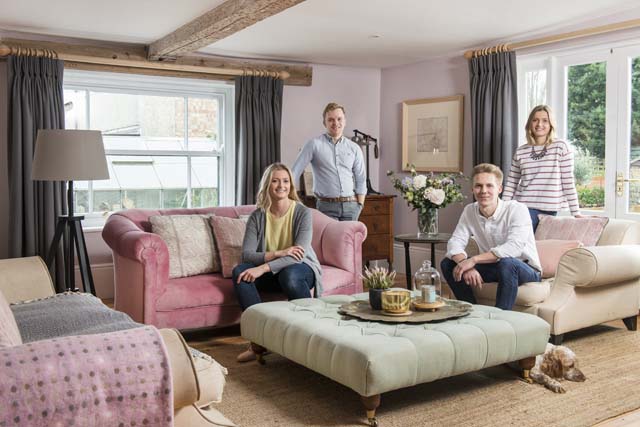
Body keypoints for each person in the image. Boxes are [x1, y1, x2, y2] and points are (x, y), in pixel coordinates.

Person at [232, 163, 322, 362]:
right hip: (274, 271)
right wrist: (278, 253)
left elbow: (298, 254)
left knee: (289, 275)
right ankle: (258, 343)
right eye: (275, 181)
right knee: (240, 271)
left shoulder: (302, 213)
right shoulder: (257, 216)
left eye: (285, 181)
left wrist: (263, 267)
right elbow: (247, 255)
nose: (280, 185)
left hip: (300, 270)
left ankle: (308, 340)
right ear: (267, 185)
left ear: (290, 185)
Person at [440, 163, 542, 311]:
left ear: (499, 189)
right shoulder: (470, 210)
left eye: (489, 186)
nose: (483, 191)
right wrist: (464, 264)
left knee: (507, 263)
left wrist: (473, 260)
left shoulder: (517, 209)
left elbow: (513, 248)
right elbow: (455, 242)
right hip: (496, 267)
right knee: (448, 264)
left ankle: (500, 318)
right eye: (478, 186)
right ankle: (471, 311)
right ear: (472, 189)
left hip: (525, 269)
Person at [502, 105, 581, 232]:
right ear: (530, 124)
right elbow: (511, 182)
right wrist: (502, 209)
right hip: (522, 205)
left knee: (519, 238)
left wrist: (576, 212)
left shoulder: (560, 147)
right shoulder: (521, 151)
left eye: (545, 120)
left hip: (547, 208)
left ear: (551, 124)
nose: (539, 124)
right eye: (535, 120)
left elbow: (568, 181)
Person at [291, 102, 367, 221]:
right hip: (326, 207)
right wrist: (293, 200)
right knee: (330, 240)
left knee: (349, 240)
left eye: (339, 119)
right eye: (331, 119)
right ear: (324, 123)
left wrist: (360, 205)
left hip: (351, 207)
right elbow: (294, 172)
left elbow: (361, 178)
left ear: (345, 121)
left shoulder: (354, 148)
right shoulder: (313, 145)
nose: (335, 123)